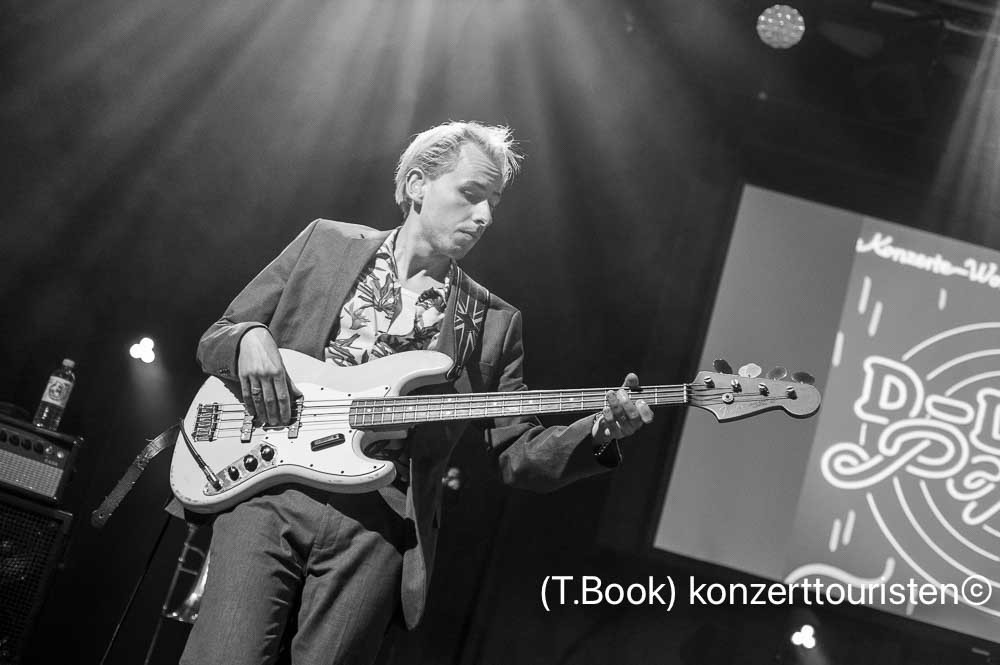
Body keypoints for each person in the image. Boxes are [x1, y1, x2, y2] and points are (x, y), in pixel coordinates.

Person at [178, 121, 653, 665]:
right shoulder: (325, 243)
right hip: (270, 492)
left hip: (378, 524)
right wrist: (249, 338)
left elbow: (517, 454)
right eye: (471, 193)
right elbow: (216, 337)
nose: (485, 216)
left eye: (494, 203)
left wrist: (598, 431)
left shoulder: (493, 322)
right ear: (417, 184)